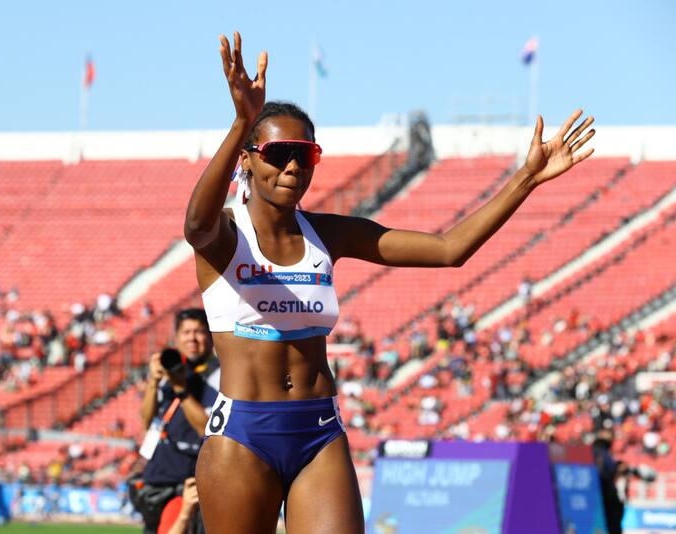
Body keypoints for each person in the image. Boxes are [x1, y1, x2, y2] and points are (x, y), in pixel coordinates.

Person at [185, 31, 595, 534]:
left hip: (318, 432)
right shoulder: (226, 235)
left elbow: (449, 250)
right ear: (247, 158)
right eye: (277, 152)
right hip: (243, 435)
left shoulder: (329, 234)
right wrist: (241, 122)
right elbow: (196, 225)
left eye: (305, 154)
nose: (291, 165)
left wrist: (526, 178)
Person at [138, 308, 219, 534]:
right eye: (186, 332)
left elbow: (207, 430)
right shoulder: (170, 369)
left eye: (199, 332)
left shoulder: (219, 375)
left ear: (210, 336)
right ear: (176, 337)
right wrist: (153, 382)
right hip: (160, 479)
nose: (192, 338)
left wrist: (181, 390)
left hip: (193, 481)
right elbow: (146, 422)